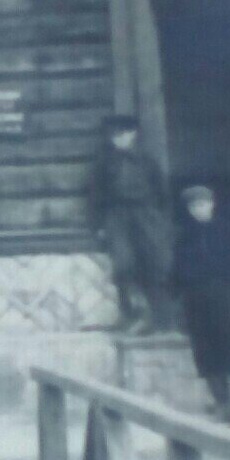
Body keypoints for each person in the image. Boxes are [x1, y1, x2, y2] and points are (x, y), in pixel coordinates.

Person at [173, 184, 230, 429]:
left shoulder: (229, 232)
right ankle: (224, 406)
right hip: (196, 300)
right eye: (194, 206)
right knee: (207, 352)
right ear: (188, 209)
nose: (199, 210)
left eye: (203, 204)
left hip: (226, 297)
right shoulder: (183, 238)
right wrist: (179, 299)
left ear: (212, 204)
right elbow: (176, 273)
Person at [89, 113, 173, 334]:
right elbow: (96, 196)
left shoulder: (147, 161)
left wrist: (160, 221)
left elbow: (162, 192)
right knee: (124, 264)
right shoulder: (104, 163)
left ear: (133, 135)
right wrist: (99, 226)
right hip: (116, 217)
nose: (118, 139)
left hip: (146, 215)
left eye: (123, 134)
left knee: (156, 263)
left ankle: (162, 319)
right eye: (114, 135)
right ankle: (134, 314)